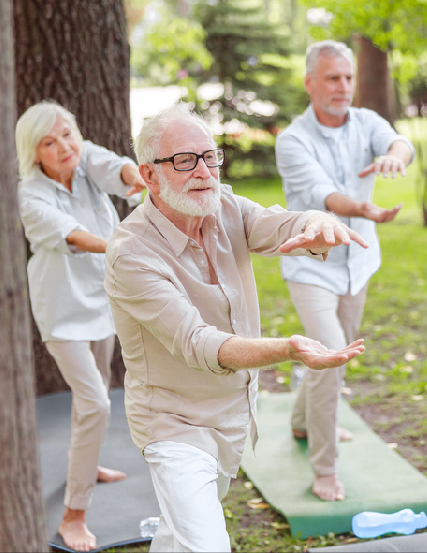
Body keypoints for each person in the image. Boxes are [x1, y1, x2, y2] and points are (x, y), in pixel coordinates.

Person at [103, 105, 368, 552]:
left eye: (210, 156)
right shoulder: (131, 253)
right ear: (149, 176)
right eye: (185, 161)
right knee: (207, 545)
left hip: (230, 420)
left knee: (177, 534)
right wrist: (289, 349)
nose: (204, 171)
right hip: (174, 426)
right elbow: (198, 343)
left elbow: (277, 222)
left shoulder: (224, 207)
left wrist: (317, 224)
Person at [275, 39, 416, 502]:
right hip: (312, 267)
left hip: (359, 264)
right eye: (333, 78)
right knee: (333, 352)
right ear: (310, 82)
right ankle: (324, 468)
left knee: (333, 358)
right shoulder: (292, 140)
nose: (343, 87)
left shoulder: (366, 122)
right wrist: (363, 209)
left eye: (349, 77)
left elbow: (399, 141)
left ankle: (302, 421)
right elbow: (324, 196)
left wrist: (396, 155)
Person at [16, 101, 146, 552]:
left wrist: (136, 177)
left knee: (95, 394)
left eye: (67, 133)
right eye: (49, 143)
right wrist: (124, 246)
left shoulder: (82, 153)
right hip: (62, 310)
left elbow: (118, 169)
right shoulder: (30, 195)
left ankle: (85, 464)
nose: (64, 146)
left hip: (101, 298)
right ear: (35, 154)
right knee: (95, 403)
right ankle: (74, 514)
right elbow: (73, 235)